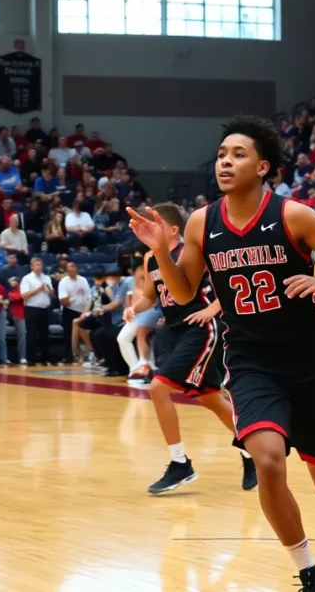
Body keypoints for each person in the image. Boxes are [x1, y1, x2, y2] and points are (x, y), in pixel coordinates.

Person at [126, 115, 315, 592]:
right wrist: (162, 249)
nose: (226, 160)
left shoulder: (294, 215)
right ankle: (309, 572)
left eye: (238, 154)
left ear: (263, 166)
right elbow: (183, 294)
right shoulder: (204, 221)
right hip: (250, 361)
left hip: (307, 359)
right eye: (222, 153)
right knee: (267, 459)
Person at [124, 202, 257, 495]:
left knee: (158, 388)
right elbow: (150, 296)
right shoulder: (150, 258)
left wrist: (212, 309)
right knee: (210, 398)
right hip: (173, 331)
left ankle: (180, 463)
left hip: (200, 329)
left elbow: (231, 282)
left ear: (172, 229)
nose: (147, 228)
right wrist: (134, 308)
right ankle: (251, 453)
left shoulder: (190, 252)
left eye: (153, 223)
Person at [20, 257, 55, 367]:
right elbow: (24, 295)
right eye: (37, 265)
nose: (39, 267)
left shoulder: (47, 278)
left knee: (45, 335)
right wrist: (37, 289)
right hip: (32, 309)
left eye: (40, 265)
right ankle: (31, 359)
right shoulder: (27, 278)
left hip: (44, 309)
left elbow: (52, 295)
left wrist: (49, 290)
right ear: (32, 266)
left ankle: (45, 359)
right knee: (32, 335)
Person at [58, 261, 91, 365]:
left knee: (84, 333)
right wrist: (72, 300)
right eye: (69, 267)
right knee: (68, 334)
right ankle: (69, 357)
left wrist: (85, 310)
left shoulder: (83, 280)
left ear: (76, 268)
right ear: (67, 270)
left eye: (73, 266)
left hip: (83, 311)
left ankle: (85, 355)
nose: (72, 269)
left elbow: (88, 297)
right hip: (69, 310)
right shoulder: (63, 282)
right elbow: (63, 300)